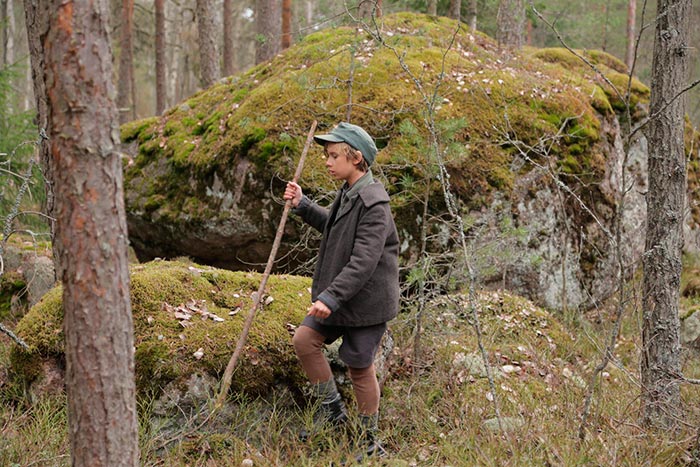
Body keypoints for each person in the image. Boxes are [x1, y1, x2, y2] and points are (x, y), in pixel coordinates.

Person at [284, 122, 400, 460]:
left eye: (334, 155)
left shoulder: (374, 202)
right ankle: (333, 416)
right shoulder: (348, 192)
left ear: (357, 158)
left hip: (365, 303)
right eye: (326, 155)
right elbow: (334, 229)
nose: (327, 161)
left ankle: (366, 439)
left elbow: (364, 261)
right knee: (305, 341)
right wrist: (303, 205)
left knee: (359, 366)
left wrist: (330, 298)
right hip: (339, 298)